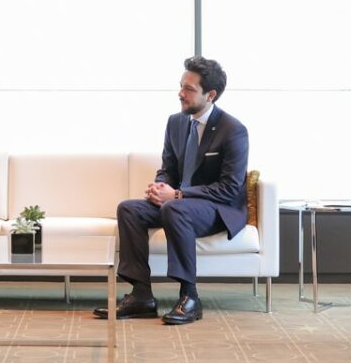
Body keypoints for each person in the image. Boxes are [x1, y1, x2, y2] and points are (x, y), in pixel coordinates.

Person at [95, 56, 248, 327]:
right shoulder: (176, 123)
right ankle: (142, 295)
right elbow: (168, 168)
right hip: (177, 204)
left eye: (189, 89)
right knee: (129, 209)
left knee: (174, 208)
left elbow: (229, 188)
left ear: (210, 95)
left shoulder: (233, 130)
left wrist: (177, 195)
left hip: (217, 208)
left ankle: (190, 297)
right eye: (181, 86)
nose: (180, 93)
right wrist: (160, 186)